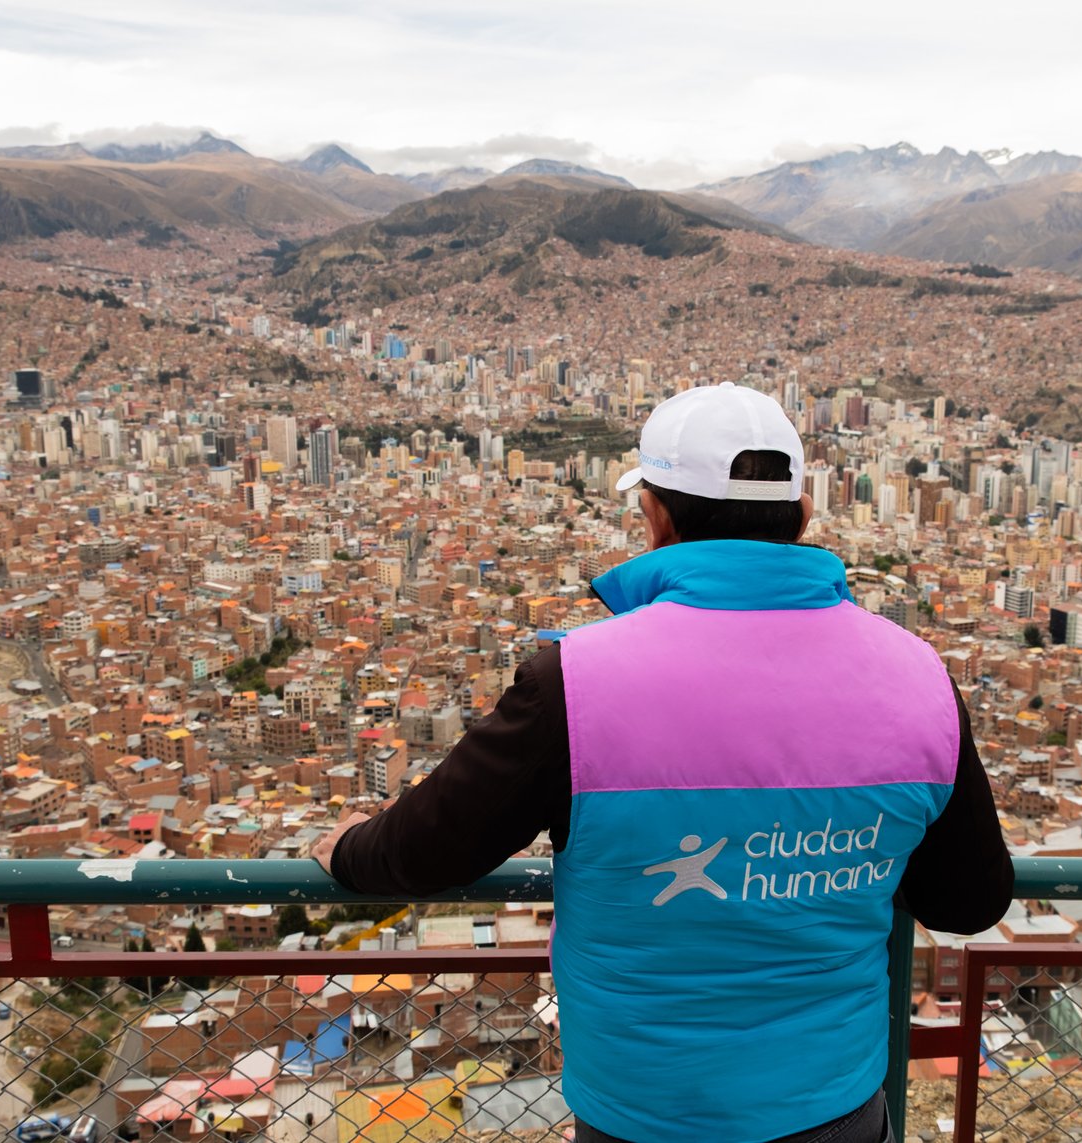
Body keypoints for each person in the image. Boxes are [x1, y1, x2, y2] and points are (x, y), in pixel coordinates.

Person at [315, 382, 1013, 1143]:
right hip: (833, 1107)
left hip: (643, 1114)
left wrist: (346, 845)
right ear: (803, 518)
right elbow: (968, 901)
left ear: (655, 514)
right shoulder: (918, 678)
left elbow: (427, 848)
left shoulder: (575, 683)